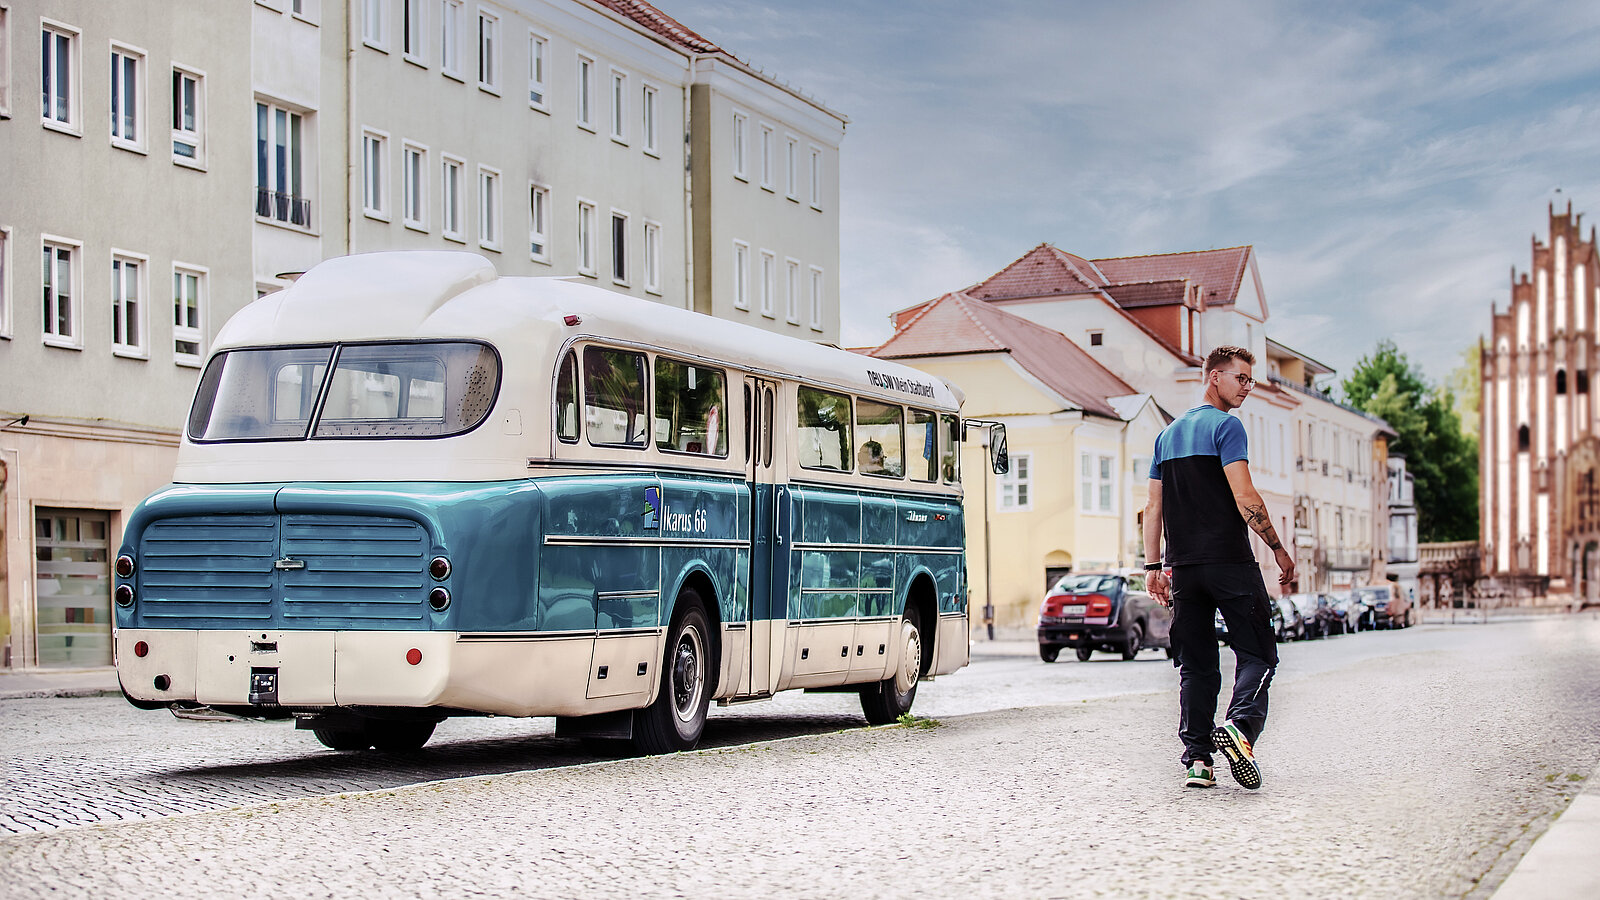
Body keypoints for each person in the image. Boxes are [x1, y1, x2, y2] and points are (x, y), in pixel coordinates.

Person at [1143, 345, 1295, 790]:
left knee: (1197, 666)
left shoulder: (1166, 436)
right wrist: (1278, 549)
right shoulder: (1228, 427)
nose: (1247, 387)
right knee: (1259, 654)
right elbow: (1245, 496)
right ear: (1214, 378)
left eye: (1250, 380)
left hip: (1185, 570)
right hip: (1230, 563)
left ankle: (1198, 761)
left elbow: (1153, 507)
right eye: (1241, 378)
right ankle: (1240, 728)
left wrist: (1154, 565)